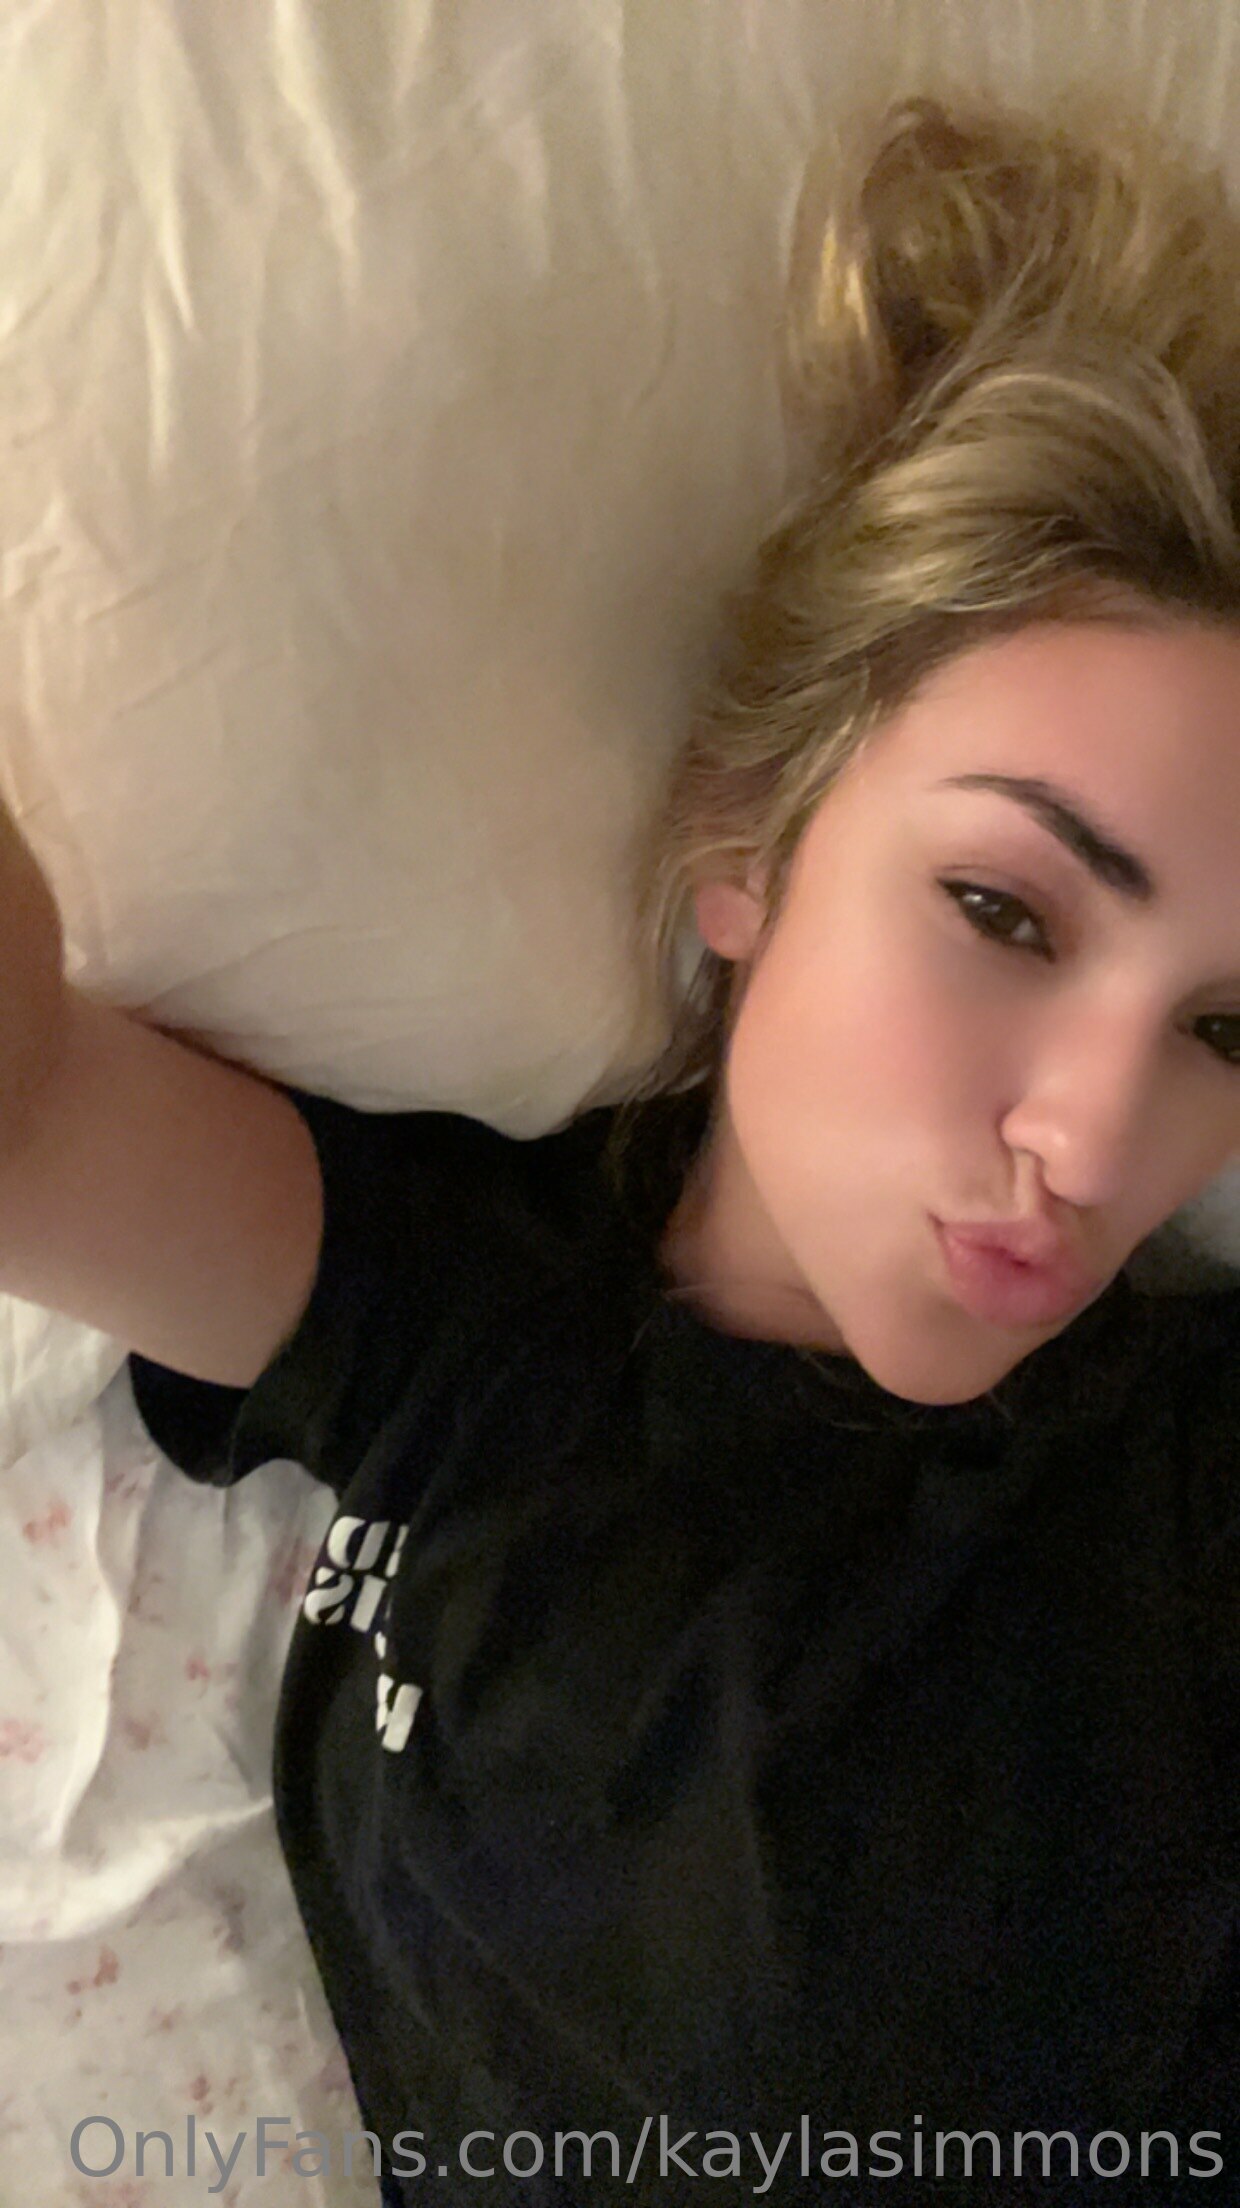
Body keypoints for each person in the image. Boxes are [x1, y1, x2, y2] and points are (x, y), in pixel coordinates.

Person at [2, 84, 1238, 2206]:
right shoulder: (474, 1329)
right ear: (745, 839)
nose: (1097, 1136)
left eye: (1223, 1027)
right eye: (1005, 912)